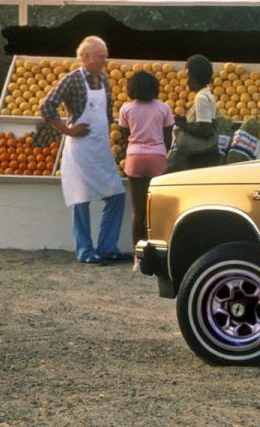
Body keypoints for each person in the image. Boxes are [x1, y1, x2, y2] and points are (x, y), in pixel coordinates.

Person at [40, 36, 127, 264]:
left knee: (116, 195)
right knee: (81, 199)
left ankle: (107, 247)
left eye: (105, 55)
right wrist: (68, 130)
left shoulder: (105, 80)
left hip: (100, 148)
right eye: (101, 56)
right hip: (80, 148)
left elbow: (107, 115)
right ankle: (85, 251)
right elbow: (46, 105)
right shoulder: (72, 80)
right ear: (85, 57)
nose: (105, 60)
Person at [118, 70, 174, 271]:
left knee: (138, 211)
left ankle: (138, 258)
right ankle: (159, 255)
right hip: (157, 156)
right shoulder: (163, 108)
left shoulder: (126, 109)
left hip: (134, 157)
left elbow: (125, 135)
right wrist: (159, 150)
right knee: (157, 209)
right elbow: (168, 137)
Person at [173, 55, 220, 169]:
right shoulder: (208, 95)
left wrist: (182, 124)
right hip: (208, 154)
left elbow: (205, 130)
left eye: (188, 75)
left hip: (201, 156)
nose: (186, 79)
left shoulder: (201, 98)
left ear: (193, 77)